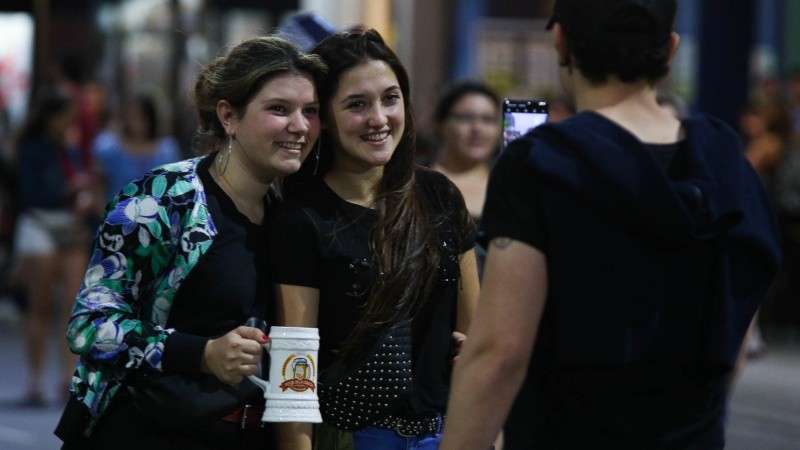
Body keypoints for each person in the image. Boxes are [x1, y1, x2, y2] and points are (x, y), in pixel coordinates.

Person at [440, 1, 782, 449]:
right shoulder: (729, 166)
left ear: (562, 43)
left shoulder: (543, 165)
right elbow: (735, 342)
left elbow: (500, 353)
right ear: (670, 49)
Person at [54, 35, 327, 449]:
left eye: (311, 111)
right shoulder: (161, 200)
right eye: (279, 109)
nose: (300, 126)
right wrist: (202, 353)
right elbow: (89, 326)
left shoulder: (288, 219)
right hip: (147, 433)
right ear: (228, 116)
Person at [269, 27, 480, 449]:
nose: (379, 119)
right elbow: (294, 376)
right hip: (356, 438)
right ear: (324, 118)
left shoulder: (439, 195)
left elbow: (475, 339)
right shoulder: (304, 218)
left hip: (449, 434)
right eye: (357, 104)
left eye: (390, 98)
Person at [12, 88, 96, 406]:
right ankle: (35, 379)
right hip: (40, 224)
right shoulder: (32, 148)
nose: (68, 125)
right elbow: (33, 192)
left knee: (72, 306)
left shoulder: (68, 148)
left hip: (69, 226)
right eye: (65, 119)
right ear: (50, 118)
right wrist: (70, 188)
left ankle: (67, 377)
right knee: (40, 306)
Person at [428, 81, 502, 279]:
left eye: (488, 119)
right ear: (441, 124)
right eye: (465, 118)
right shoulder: (413, 179)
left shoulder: (507, 186)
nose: (477, 128)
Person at [91, 93, 181, 202]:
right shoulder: (109, 148)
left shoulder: (166, 151)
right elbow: (97, 186)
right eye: (132, 116)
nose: (136, 122)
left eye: (141, 117)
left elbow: (174, 188)